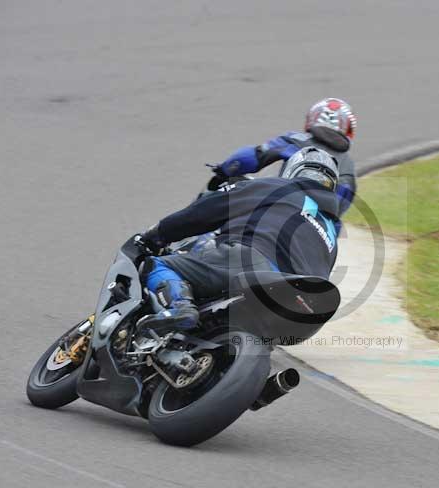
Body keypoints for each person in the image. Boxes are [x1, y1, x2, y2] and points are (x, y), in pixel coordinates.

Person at [138, 147, 340, 334]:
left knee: (157, 264)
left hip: (253, 265)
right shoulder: (331, 235)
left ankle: (180, 307)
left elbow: (206, 210)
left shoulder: (278, 187)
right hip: (303, 307)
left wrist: (159, 234)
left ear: (292, 171)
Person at [209, 98, 357, 216]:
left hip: (278, 208)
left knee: (221, 211)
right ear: (348, 130)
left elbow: (249, 158)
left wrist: (224, 170)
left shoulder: (295, 140)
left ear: (312, 119)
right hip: (313, 235)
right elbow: (338, 212)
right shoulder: (348, 169)